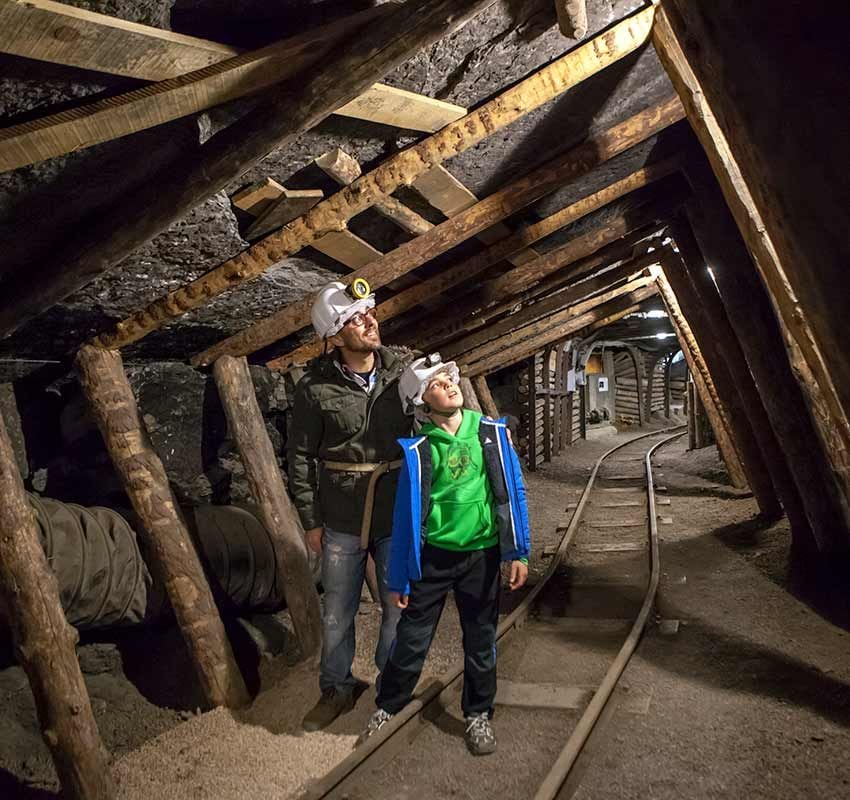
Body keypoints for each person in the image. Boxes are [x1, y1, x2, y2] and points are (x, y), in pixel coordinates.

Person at [359, 354, 531, 755]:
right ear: (423, 402)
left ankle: (478, 714)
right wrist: (400, 576)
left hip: (482, 556)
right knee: (412, 638)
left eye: (449, 379)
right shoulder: (419, 449)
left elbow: (514, 493)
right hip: (434, 558)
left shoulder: (491, 433)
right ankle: (389, 706)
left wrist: (518, 551)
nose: (449, 385)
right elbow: (406, 517)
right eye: (436, 383)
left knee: (481, 638)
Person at [287, 280, 416, 732]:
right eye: (355, 319)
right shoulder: (314, 387)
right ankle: (336, 688)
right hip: (341, 515)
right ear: (336, 336)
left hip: (393, 509)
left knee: (397, 603)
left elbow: (434, 423)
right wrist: (310, 520)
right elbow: (300, 456)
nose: (368, 322)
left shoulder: (403, 374)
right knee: (338, 609)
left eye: (368, 313)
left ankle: (391, 685)